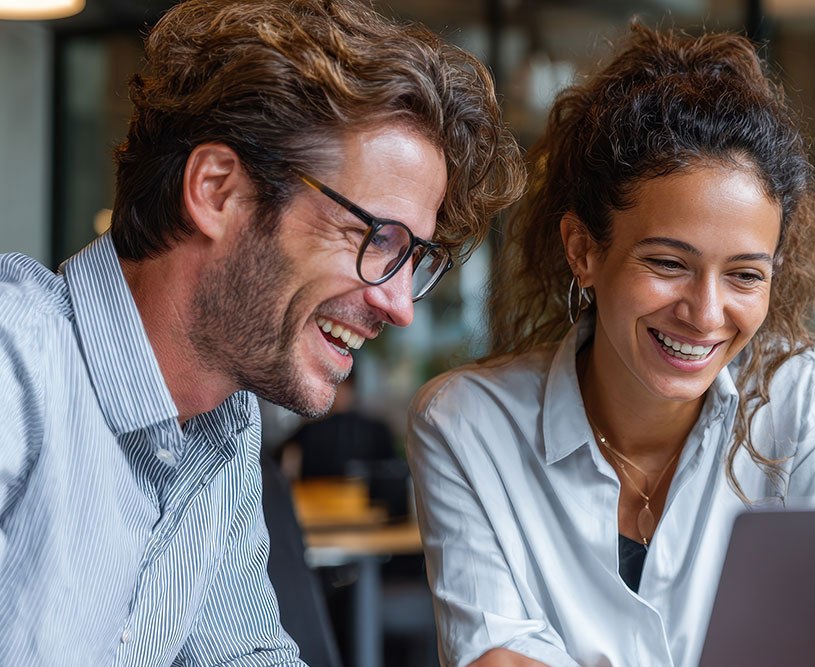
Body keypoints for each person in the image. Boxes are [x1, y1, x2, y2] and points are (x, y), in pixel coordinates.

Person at [0, 0, 524, 664]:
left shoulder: (226, 424)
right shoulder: (16, 364)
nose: (400, 306)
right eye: (376, 239)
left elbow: (244, 654)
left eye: (413, 260)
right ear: (219, 191)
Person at [406, 24, 815, 667]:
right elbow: (498, 655)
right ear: (584, 251)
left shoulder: (796, 395)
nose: (706, 314)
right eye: (667, 263)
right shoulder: (468, 423)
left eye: (745, 275)